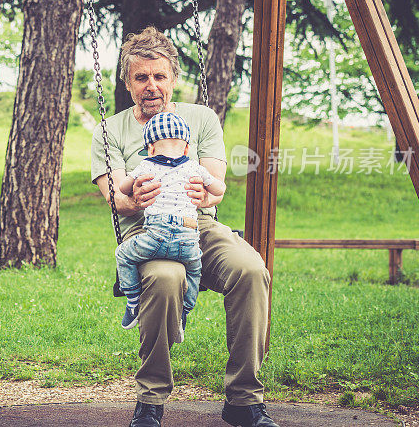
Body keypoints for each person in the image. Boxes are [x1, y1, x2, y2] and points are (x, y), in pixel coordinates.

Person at [91, 26, 279, 427]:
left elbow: (214, 187)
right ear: (127, 83)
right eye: (141, 77)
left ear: (174, 78)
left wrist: (202, 191)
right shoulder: (112, 130)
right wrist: (131, 199)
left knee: (251, 270)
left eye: (159, 76)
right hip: (147, 232)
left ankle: (244, 400)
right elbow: (114, 193)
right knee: (163, 278)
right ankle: (151, 401)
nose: (151, 85)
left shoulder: (201, 118)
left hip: (200, 226)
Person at [115, 112, 226, 334]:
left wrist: (132, 180)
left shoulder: (146, 166)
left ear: (151, 148)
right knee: (195, 272)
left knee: (123, 254)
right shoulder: (195, 168)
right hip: (188, 240)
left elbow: (123, 189)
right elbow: (220, 189)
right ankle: (183, 313)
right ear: (186, 148)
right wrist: (206, 191)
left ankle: (133, 301)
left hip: (155, 238)